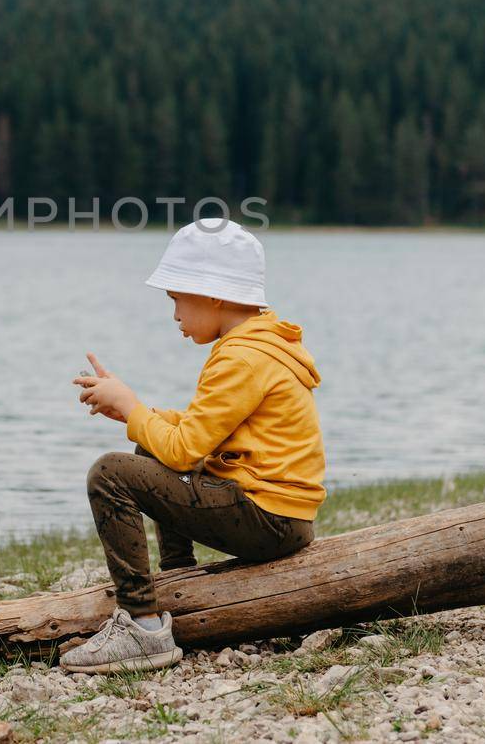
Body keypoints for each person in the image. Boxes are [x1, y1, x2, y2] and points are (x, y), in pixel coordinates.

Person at [62, 218, 325, 674]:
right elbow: (202, 432)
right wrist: (132, 412)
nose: (175, 315)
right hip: (285, 517)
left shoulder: (241, 357)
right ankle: (179, 576)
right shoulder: (258, 345)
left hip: (268, 518)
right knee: (148, 450)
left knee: (109, 473)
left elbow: (185, 450)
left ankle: (142, 627)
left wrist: (134, 408)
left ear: (214, 293)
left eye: (177, 299)